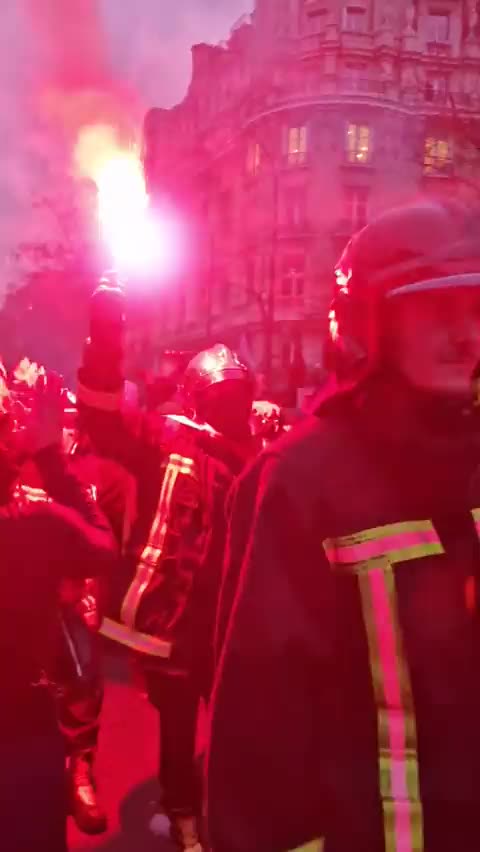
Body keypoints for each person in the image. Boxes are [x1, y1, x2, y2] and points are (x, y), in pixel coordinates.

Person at [207, 200, 480, 852]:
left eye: (476, 309)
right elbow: (260, 727)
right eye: (434, 310)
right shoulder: (301, 481)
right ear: (365, 324)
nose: (467, 335)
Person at [76, 281, 256, 851]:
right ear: (199, 401)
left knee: (238, 724)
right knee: (178, 728)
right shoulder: (168, 440)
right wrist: (107, 326)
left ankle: (229, 806)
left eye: (239, 398)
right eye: (221, 399)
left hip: (232, 622)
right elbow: (104, 417)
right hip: (175, 623)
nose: (232, 409)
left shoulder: (260, 458)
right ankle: (182, 814)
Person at [0, 368, 116, 852]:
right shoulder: (34, 524)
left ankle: (81, 762)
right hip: (21, 724)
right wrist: (49, 455)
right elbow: (103, 547)